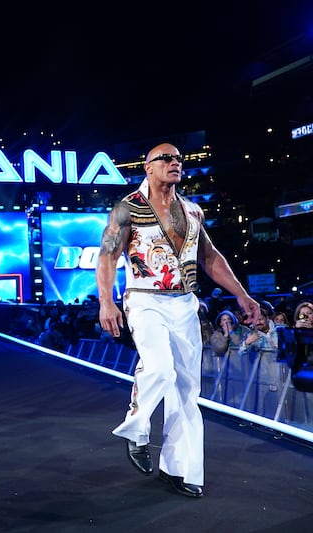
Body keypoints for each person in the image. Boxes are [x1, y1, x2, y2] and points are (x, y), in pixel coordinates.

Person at [95, 143, 260, 498]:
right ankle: (136, 431)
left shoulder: (192, 210)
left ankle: (179, 469)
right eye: (166, 158)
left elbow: (210, 257)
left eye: (179, 159)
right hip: (144, 298)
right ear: (148, 167)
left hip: (185, 303)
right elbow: (107, 256)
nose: (175, 163)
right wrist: (106, 302)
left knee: (186, 391)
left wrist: (242, 294)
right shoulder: (128, 208)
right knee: (159, 368)